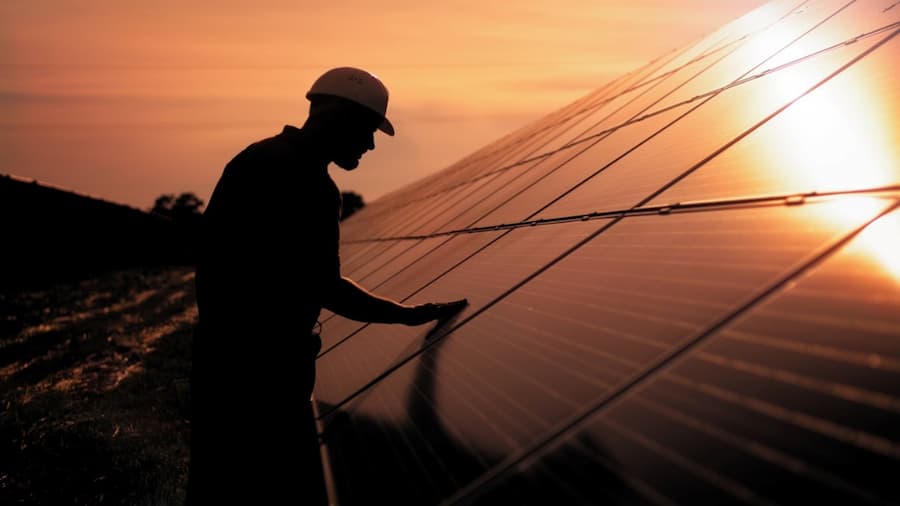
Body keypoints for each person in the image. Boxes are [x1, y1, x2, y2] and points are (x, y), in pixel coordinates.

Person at [189, 67, 468, 505]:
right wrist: (406, 314)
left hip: (223, 357)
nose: (371, 145)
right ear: (338, 113)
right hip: (264, 373)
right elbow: (325, 286)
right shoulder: (306, 183)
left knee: (218, 481)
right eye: (368, 130)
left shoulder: (256, 158)